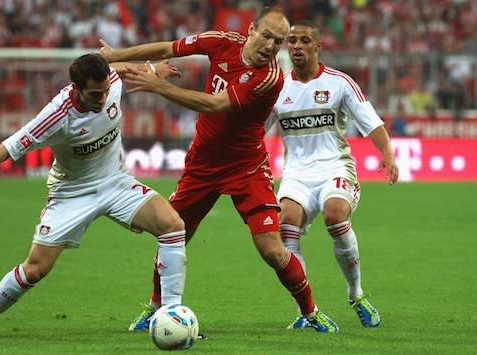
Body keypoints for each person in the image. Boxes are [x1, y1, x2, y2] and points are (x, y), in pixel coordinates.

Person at [100, 7, 339, 333]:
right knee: (173, 234)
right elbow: (167, 47)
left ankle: (310, 312)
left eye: (279, 41)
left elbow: (214, 104)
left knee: (271, 248)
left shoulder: (269, 78)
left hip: (246, 168)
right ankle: (154, 307)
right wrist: (117, 54)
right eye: (267, 36)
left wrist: (158, 86)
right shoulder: (219, 42)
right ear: (251, 29)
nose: (271, 46)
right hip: (203, 165)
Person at [0, 54, 188, 339]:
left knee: (173, 225)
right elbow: (7, 148)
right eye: (94, 94)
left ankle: (171, 317)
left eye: (104, 92)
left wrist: (152, 69)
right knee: (36, 268)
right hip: (71, 194)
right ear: (75, 87)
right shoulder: (56, 116)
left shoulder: (110, 82)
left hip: (115, 182)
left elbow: (119, 69)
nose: (102, 99)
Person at [267, 21, 399, 329]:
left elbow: (372, 122)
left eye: (304, 41)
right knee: (286, 224)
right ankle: (306, 312)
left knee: (335, 215)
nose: (296, 46)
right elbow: (254, 131)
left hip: (335, 167)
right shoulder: (278, 88)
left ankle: (356, 294)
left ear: (317, 46)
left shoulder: (340, 82)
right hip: (297, 173)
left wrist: (388, 154)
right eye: (292, 41)